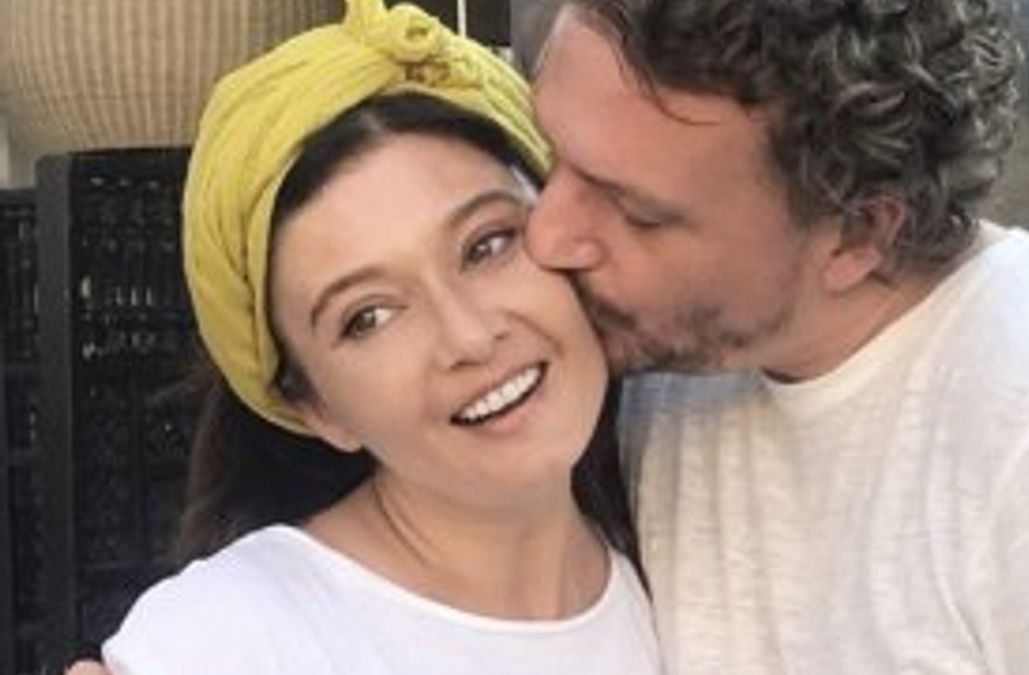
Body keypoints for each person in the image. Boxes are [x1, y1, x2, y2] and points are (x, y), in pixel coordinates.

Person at [522, 0, 1029, 674]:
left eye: (635, 213)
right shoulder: (641, 346)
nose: (545, 236)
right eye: (549, 153)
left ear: (857, 235)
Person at [91, 2, 661, 673]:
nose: (469, 336)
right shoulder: (229, 637)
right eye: (369, 316)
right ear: (314, 406)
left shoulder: (673, 557)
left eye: (487, 245)